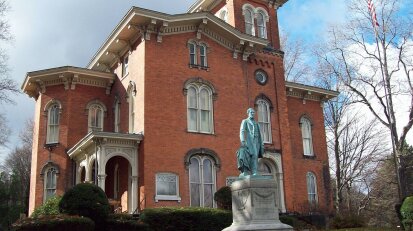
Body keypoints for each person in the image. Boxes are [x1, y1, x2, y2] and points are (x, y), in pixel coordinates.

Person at [238, 108, 264, 177]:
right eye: (251, 112)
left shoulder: (256, 123)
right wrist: (243, 141)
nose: (252, 114)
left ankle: (254, 171)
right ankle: (253, 171)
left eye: (253, 112)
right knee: (254, 154)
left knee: (255, 156)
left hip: (257, 141)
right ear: (248, 113)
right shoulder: (245, 121)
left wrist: (262, 143)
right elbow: (242, 131)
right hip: (250, 141)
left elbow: (260, 134)